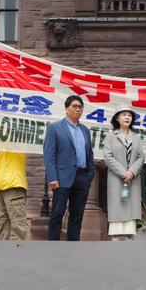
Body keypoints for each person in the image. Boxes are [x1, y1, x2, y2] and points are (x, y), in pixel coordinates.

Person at [43, 95, 94, 241]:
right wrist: (52, 177)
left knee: (77, 214)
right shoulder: (54, 128)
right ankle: (53, 245)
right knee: (57, 213)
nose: (78, 109)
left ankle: (73, 245)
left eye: (80, 107)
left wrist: (89, 176)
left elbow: (90, 154)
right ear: (66, 109)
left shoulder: (85, 130)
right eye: (74, 106)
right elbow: (49, 154)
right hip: (61, 178)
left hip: (82, 178)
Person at [105, 109, 145, 241]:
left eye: (129, 115)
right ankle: (116, 239)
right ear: (117, 118)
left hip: (133, 179)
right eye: (124, 115)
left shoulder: (136, 137)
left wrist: (132, 172)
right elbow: (108, 157)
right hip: (116, 179)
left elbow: (141, 157)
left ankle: (129, 239)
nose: (127, 117)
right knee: (117, 209)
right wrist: (124, 173)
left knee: (130, 212)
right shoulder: (110, 136)